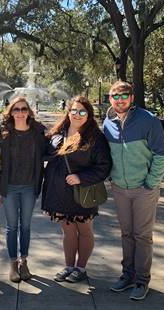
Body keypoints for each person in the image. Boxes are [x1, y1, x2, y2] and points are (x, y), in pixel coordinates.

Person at [103, 81, 164, 301]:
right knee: (126, 234)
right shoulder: (108, 122)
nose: (120, 100)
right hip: (120, 188)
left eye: (124, 96)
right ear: (110, 98)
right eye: (115, 96)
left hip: (144, 190)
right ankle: (127, 275)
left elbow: (161, 154)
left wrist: (151, 183)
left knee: (142, 236)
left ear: (131, 98)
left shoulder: (148, 120)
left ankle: (142, 280)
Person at [41, 96, 112, 283]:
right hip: (59, 193)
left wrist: (81, 177)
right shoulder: (57, 133)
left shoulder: (95, 138)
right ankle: (69, 266)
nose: (77, 115)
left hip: (82, 192)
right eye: (74, 111)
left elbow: (104, 166)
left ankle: (81, 268)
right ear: (68, 112)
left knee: (85, 231)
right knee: (68, 232)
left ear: (88, 115)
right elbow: (43, 152)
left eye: (82, 111)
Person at [0, 97, 46, 283]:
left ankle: (23, 261)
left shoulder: (37, 132)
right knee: (12, 227)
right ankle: (12, 263)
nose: (20, 112)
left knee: (25, 226)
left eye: (23, 109)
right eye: (16, 109)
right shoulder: (3, 132)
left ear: (28, 111)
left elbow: (49, 150)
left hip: (29, 187)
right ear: (11, 112)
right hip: (9, 187)